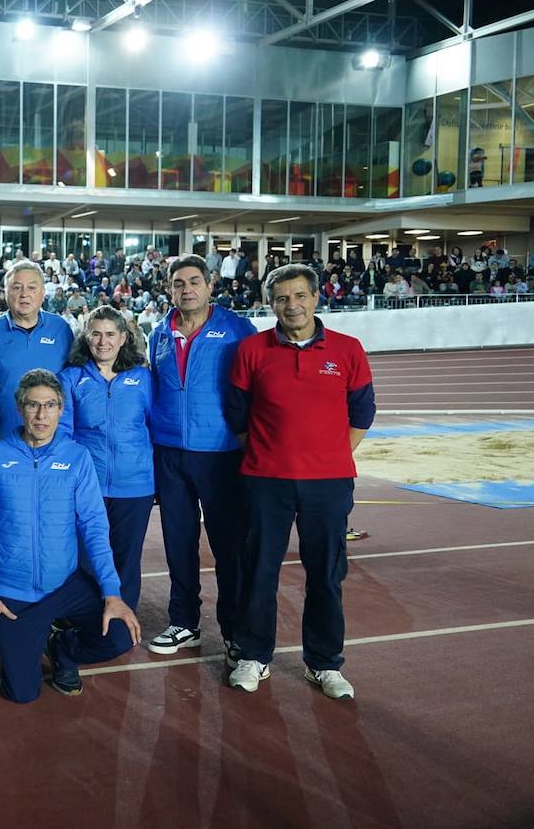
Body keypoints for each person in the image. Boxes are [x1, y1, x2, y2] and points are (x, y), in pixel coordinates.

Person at [225, 265, 376, 699]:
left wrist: (331, 455)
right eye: (281, 298)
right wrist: (267, 451)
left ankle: (324, 664)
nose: (291, 305)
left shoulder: (348, 350)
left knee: (326, 575)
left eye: (299, 296)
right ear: (270, 303)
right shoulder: (252, 350)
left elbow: (363, 412)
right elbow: (237, 413)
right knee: (258, 571)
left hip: (328, 484)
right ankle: (254, 656)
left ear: (315, 298)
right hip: (264, 481)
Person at [0, 370, 141, 702]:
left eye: (50, 405)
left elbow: (95, 527)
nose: (42, 415)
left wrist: (112, 593)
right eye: (33, 405)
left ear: (61, 409)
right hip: (13, 594)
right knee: (22, 694)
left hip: (65, 585)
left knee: (120, 635)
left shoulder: (76, 457)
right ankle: (36, 636)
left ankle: (62, 647)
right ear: (19, 407)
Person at [147, 254, 256, 659]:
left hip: (220, 454)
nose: (186, 289)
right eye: (178, 283)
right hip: (170, 453)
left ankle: (235, 630)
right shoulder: (159, 332)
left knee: (228, 545)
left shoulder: (237, 330)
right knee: (178, 540)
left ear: (210, 286)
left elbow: (253, 389)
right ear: (170, 289)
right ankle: (184, 622)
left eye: (194, 281)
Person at [58, 305, 154, 639]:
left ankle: (121, 625)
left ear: (123, 338)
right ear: (86, 337)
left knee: (127, 557)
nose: (103, 341)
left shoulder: (142, 378)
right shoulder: (72, 377)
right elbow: (65, 434)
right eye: (96, 333)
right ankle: (83, 620)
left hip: (135, 485)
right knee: (85, 555)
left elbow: (153, 426)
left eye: (110, 334)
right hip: (89, 486)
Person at [0, 259, 72, 436]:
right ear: (5, 293)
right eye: (16, 287)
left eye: (32, 288)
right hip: (3, 440)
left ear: (43, 293)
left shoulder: (61, 329)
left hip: (54, 440)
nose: (24, 294)